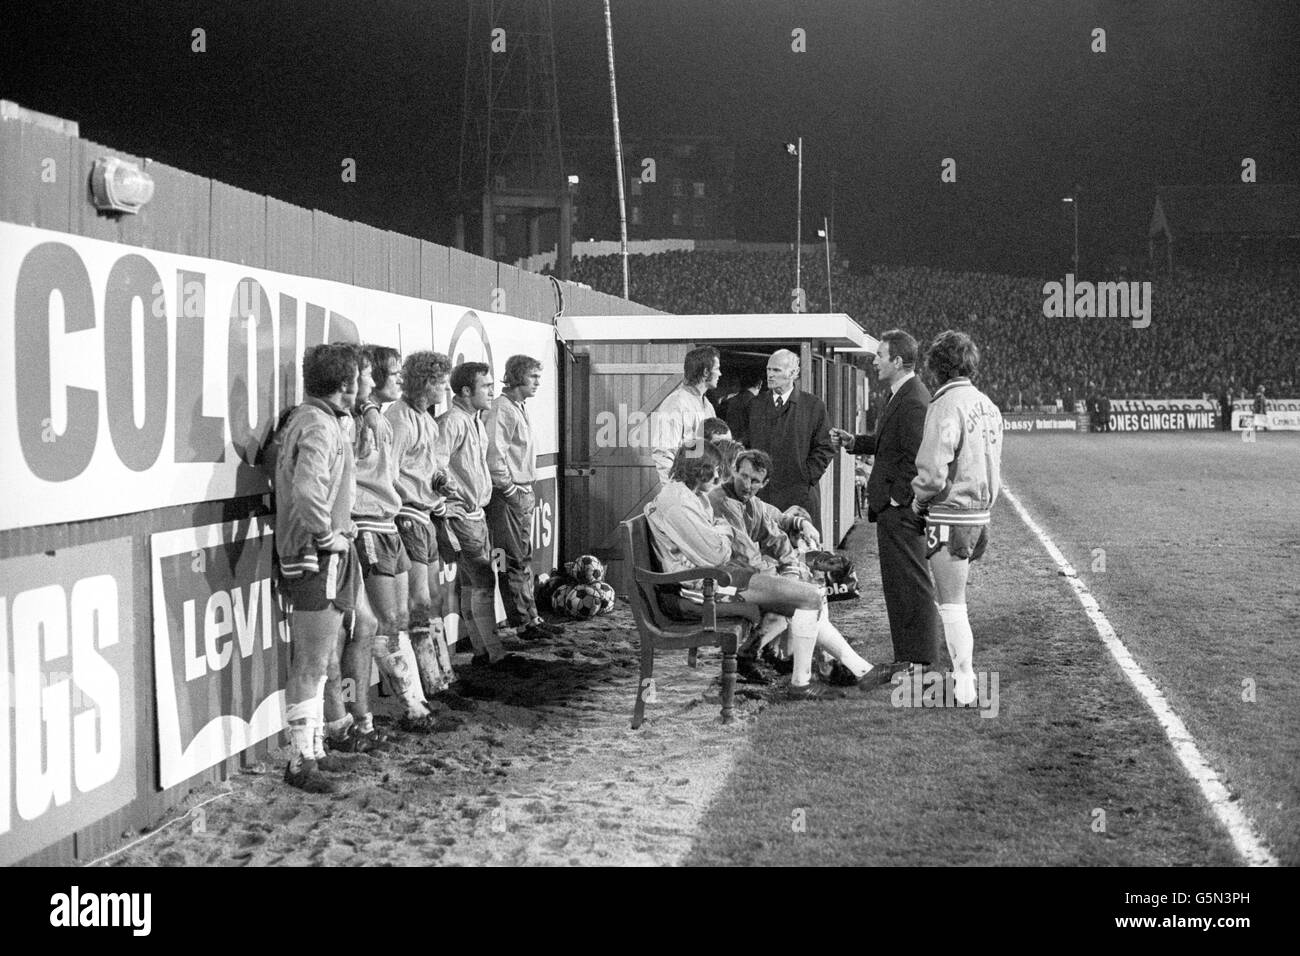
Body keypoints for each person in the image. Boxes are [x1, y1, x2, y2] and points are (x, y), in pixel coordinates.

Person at [645, 442, 884, 701]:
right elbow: (718, 552)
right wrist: (724, 533)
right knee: (811, 597)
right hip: (706, 587)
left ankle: (859, 670)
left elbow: (731, 539)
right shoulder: (679, 502)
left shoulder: (690, 496)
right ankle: (804, 684)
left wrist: (724, 534)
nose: (717, 476)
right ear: (697, 469)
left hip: (720, 577)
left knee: (811, 595)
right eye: (713, 470)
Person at [275, 344, 364, 792]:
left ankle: (313, 752)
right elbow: (308, 490)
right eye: (358, 378)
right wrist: (328, 536)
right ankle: (298, 762)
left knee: (320, 658)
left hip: (317, 553)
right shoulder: (318, 425)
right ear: (346, 384)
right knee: (311, 662)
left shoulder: (312, 419)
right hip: (316, 555)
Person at [829, 329, 941, 675]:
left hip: (901, 510)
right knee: (900, 582)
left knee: (910, 581)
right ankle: (910, 655)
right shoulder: (904, 394)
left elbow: (918, 456)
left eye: (880, 355)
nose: (874, 361)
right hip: (896, 509)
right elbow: (890, 444)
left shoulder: (912, 399)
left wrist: (897, 498)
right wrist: (856, 443)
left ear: (896, 360)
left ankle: (919, 657)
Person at [911, 331, 1003, 706]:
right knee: (957, 601)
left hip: (952, 513)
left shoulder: (946, 405)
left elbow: (933, 473)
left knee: (952, 604)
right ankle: (962, 680)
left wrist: (918, 502)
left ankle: (964, 685)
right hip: (982, 515)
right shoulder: (988, 404)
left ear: (937, 368)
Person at [386, 350, 465, 729]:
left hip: (426, 514)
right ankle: (427, 684)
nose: (445, 389)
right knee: (418, 602)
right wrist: (409, 498)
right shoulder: (398, 419)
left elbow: (428, 468)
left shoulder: (425, 421)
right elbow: (388, 472)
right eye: (441, 382)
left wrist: (441, 483)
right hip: (407, 516)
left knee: (432, 598)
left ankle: (440, 679)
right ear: (425, 382)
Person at [708, 448, 822, 685]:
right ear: (733, 471)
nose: (748, 485)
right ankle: (756, 655)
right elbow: (744, 554)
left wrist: (790, 565)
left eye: (755, 481)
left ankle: (767, 653)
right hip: (721, 581)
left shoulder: (751, 503)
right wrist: (780, 577)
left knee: (799, 583)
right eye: (744, 476)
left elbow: (775, 537)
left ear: (764, 483)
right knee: (797, 597)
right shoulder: (721, 501)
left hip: (746, 577)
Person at [438, 361, 513, 666]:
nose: (492, 391)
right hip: (463, 516)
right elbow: (436, 465)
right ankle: (494, 653)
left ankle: (484, 652)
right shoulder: (453, 421)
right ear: (466, 391)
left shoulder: (475, 421)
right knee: (483, 580)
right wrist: (456, 497)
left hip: (474, 514)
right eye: (486, 386)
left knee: (473, 583)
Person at [486, 354, 564, 642]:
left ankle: (531, 617)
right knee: (516, 559)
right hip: (510, 494)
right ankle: (523, 623)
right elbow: (495, 456)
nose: (538, 383)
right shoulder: (502, 409)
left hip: (521, 491)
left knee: (524, 557)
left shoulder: (517, 407)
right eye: (533, 377)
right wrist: (510, 491)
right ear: (517, 376)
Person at [745, 348, 835, 530]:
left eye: (776, 370)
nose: (770, 375)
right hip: (763, 496)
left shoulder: (813, 406)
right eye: (769, 370)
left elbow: (825, 447)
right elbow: (746, 445)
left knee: (802, 551)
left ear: (794, 373)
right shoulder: (755, 405)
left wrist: (806, 476)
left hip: (799, 496)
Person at [650, 346, 720, 485]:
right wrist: (672, 492)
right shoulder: (675, 403)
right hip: (683, 487)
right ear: (706, 372)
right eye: (717, 368)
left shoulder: (708, 407)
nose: (720, 373)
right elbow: (664, 454)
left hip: (704, 486)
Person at [724, 369, 763, 445]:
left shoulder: (728, 401)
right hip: (748, 447)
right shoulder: (759, 404)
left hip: (728, 445)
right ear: (759, 385)